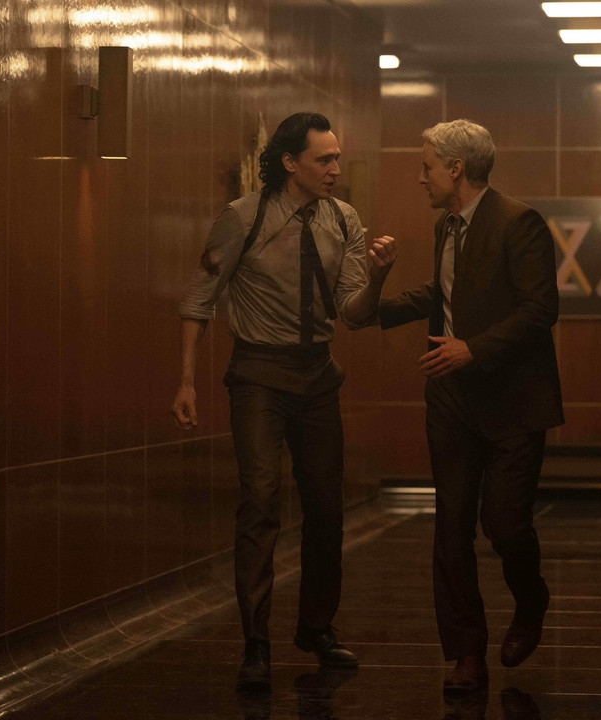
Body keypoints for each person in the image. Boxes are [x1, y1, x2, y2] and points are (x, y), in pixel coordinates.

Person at [172, 112, 397, 690]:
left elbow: (353, 312)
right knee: (261, 501)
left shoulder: (343, 219)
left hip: (317, 374)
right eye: (325, 159)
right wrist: (187, 381)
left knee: (326, 508)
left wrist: (377, 278)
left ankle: (316, 628)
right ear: (291, 162)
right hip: (258, 375)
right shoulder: (243, 217)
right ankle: (256, 642)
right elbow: (199, 298)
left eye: (337, 158)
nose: (336, 169)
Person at [377, 119, 564, 694]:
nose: (421, 177)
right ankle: (466, 654)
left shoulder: (519, 221)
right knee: (451, 529)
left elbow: (540, 310)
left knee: (505, 526)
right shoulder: (447, 226)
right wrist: (375, 308)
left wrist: (472, 349)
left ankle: (531, 601)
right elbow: (447, 293)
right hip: (451, 400)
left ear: (456, 169)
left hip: (513, 402)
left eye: (427, 166)